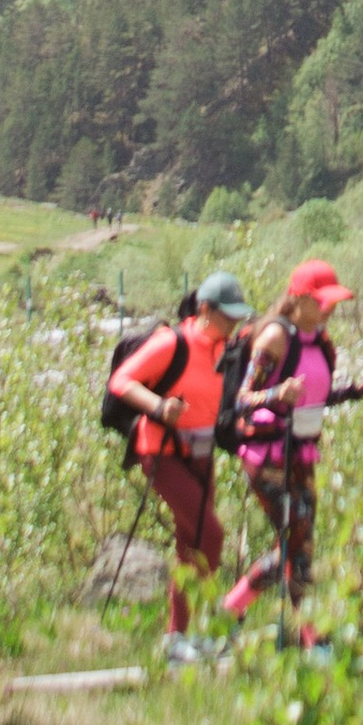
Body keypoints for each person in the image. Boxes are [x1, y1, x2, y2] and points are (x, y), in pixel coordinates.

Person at [224, 256, 363, 625]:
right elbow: (242, 399)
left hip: (304, 453)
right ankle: (293, 629)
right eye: (323, 300)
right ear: (299, 298)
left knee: (301, 547)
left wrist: (354, 392)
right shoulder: (274, 337)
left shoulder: (320, 341)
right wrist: (277, 393)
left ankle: (277, 624)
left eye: (334, 300)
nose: (331, 307)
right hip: (267, 456)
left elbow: (315, 398)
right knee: (296, 541)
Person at [109, 269, 252, 653]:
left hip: (201, 452)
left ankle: (178, 638)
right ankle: (205, 628)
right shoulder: (172, 342)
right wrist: (158, 406)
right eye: (228, 315)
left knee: (190, 544)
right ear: (205, 309)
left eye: (239, 315)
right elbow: (121, 381)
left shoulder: (225, 349)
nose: (235, 322)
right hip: (160, 451)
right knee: (212, 535)